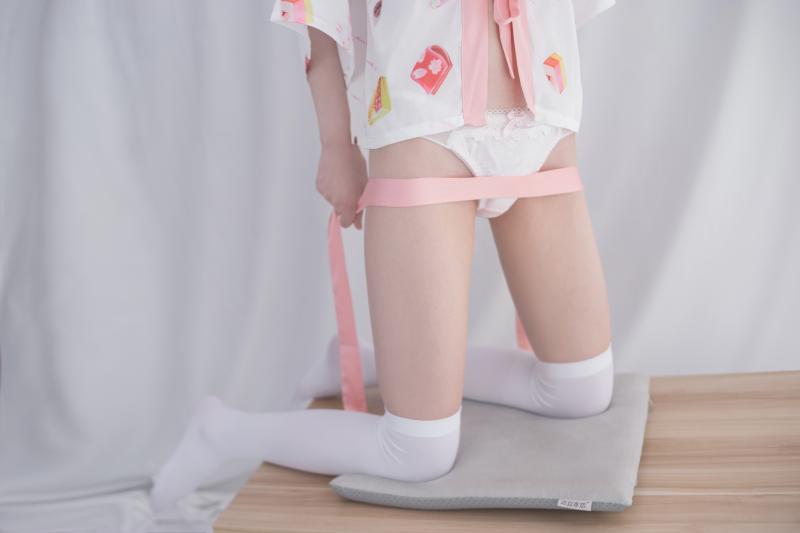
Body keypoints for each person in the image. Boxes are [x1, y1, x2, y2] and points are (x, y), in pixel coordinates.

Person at [149, 0, 616, 513]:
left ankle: (380, 360)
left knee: (581, 390)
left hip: (545, 125)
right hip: (425, 135)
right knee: (419, 452)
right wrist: (336, 144)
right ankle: (223, 432)